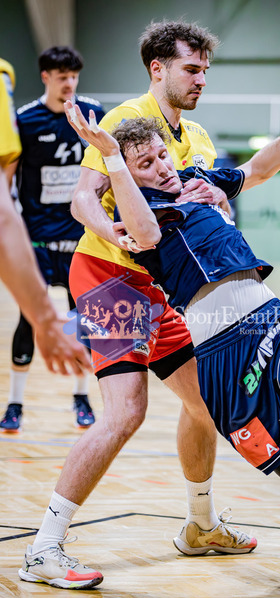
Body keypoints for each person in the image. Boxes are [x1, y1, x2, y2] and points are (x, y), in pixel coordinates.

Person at [58, 93, 280, 595]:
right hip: (221, 358)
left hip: (270, 317)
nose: (162, 167)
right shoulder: (138, 215)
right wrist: (112, 157)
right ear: (127, 176)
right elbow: (146, 232)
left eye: (162, 155)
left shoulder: (200, 180)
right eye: (146, 164)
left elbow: (259, 168)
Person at [17, 23, 257, 592]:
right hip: (108, 274)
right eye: (191, 69)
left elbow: (230, 185)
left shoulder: (195, 135)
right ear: (159, 69)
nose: (201, 79)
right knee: (126, 412)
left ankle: (201, 525)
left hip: (153, 286)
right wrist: (115, 232)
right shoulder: (125, 120)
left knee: (205, 403)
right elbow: (82, 199)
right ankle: (43, 548)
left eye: (205, 70)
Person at [0, 47, 104, 433]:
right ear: (46, 77)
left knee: (84, 319)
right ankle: (15, 403)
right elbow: (8, 178)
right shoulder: (24, 120)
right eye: (62, 77)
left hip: (81, 236)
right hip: (39, 237)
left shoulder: (93, 112)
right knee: (29, 319)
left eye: (74, 76)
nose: (69, 83)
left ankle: (81, 397)